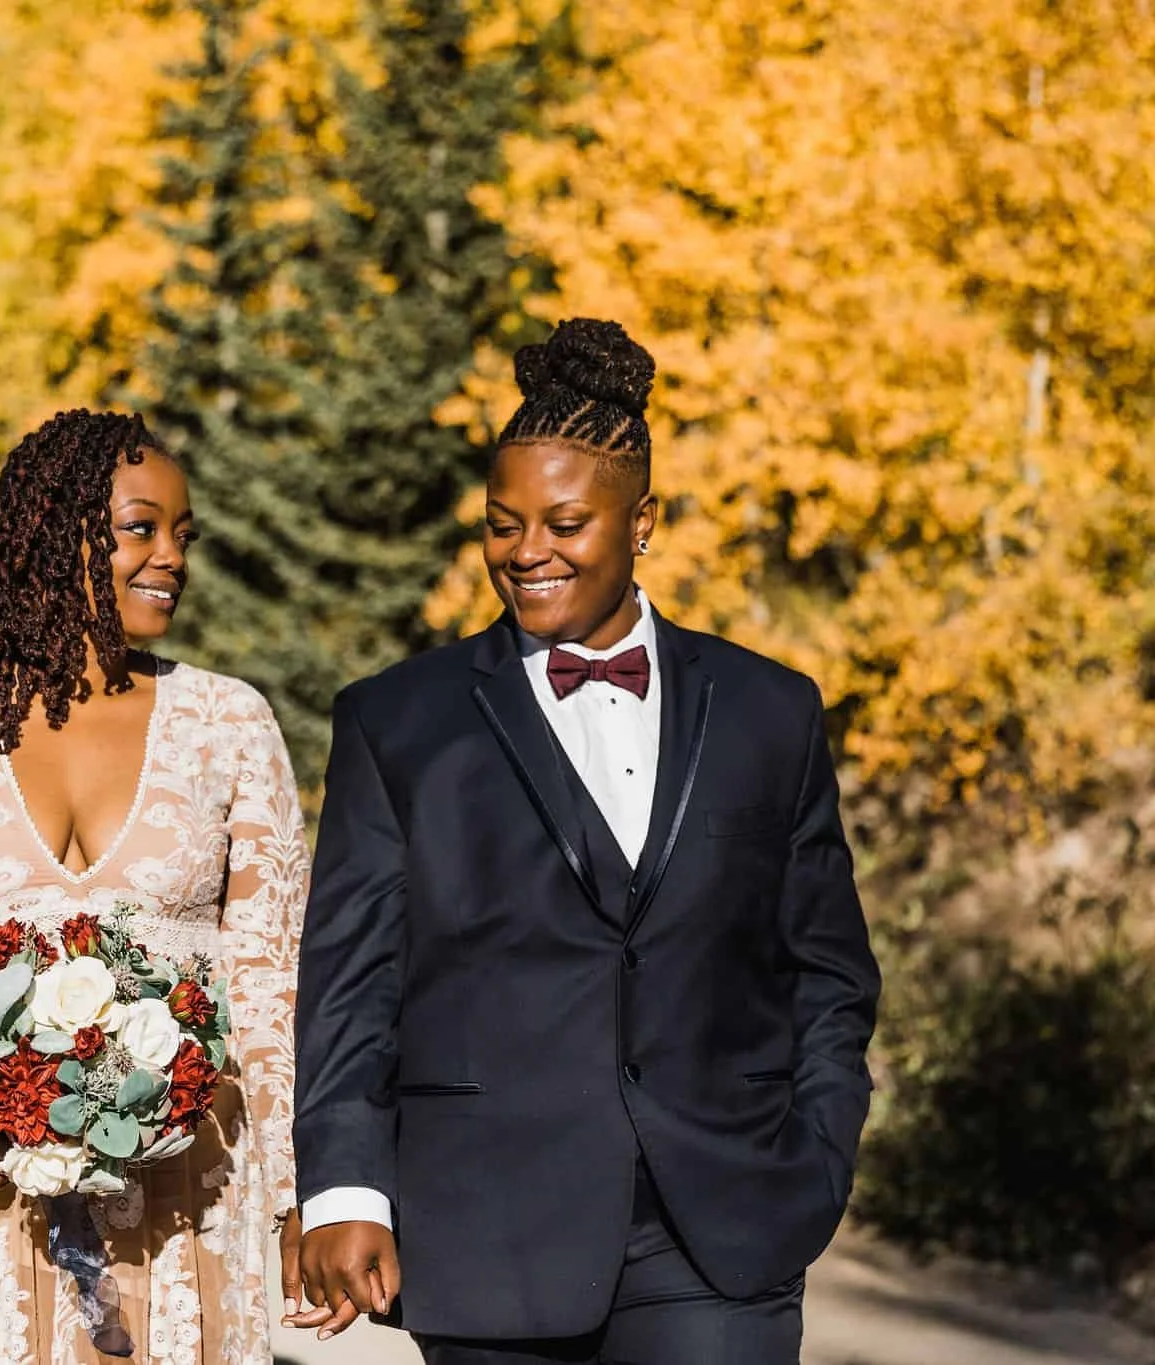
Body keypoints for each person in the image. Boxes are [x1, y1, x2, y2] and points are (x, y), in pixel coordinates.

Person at [289, 320, 880, 1364]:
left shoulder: (768, 711)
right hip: (485, 1228)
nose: (527, 551)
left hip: (722, 1232)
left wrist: (816, 1154)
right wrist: (342, 1187)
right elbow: (350, 983)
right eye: (503, 524)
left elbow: (826, 966)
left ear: (641, 520)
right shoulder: (397, 723)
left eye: (564, 522)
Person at [0, 410, 309, 1365]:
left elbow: (274, 989)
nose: (172, 557)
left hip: (178, 1206)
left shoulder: (231, 725)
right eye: (141, 528)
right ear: (52, 536)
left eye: (184, 535)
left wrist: (291, 1200)